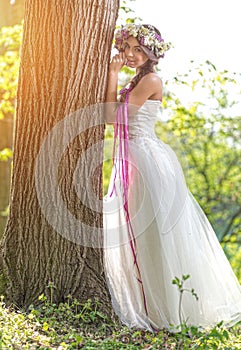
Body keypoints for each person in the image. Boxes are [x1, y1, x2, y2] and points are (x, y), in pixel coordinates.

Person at [103, 23, 241, 332]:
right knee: (138, 230)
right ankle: (147, 300)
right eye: (128, 47)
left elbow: (113, 117)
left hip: (146, 159)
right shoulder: (136, 80)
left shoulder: (151, 79)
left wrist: (111, 75)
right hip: (135, 155)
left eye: (139, 49)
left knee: (153, 233)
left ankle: (166, 307)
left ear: (151, 53)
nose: (132, 54)